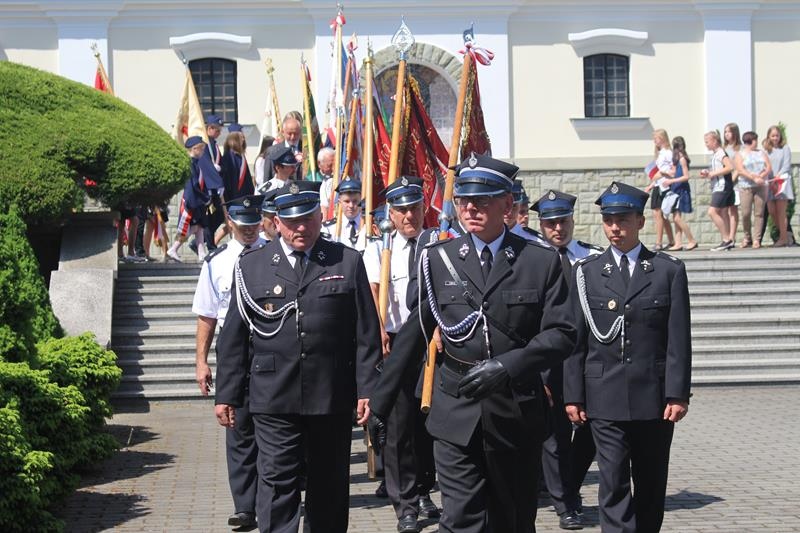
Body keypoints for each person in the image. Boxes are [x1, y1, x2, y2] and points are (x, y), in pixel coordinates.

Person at [368, 152, 577, 533]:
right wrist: (380, 402)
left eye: (482, 200)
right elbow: (414, 333)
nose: (470, 208)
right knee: (461, 518)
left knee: (511, 520)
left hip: (515, 407)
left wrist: (509, 366)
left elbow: (563, 333)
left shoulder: (539, 261)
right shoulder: (438, 259)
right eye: (464, 200)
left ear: (507, 205)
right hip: (456, 406)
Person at [214, 180, 382, 533]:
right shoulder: (252, 266)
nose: (300, 228)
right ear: (276, 223)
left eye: (307, 219)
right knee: (277, 479)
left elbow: (366, 333)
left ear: (320, 216)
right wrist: (228, 394)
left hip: (330, 393)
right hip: (273, 394)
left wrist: (367, 388)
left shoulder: (346, 260)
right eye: (291, 222)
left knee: (329, 482)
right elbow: (234, 336)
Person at [564, 181, 691, 533]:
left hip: (654, 397)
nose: (615, 228)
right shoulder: (587, 272)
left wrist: (678, 393)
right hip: (604, 395)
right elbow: (576, 339)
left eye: (622, 220)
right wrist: (573, 394)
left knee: (651, 482)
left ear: (640, 221)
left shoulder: (667, 270)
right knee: (613, 480)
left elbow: (678, 339)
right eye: (608, 220)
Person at [362, 177, 438, 533]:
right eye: (402, 210)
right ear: (390, 214)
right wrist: (377, 330)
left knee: (429, 424)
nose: (409, 215)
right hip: (393, 343)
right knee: (398, 428)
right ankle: (405, 505)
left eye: (415, 208)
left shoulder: (436, 244)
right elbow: (372, 292)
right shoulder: (380, 248)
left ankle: (424, 489)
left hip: (430, 343)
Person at [192, 195, 266, 529]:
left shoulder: (275, 254)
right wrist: (201, 361)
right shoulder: (216, 262)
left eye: (254, 224)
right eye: (243, 224)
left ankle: (271, 499)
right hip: (234, 350)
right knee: (237, 426)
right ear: (230, 222)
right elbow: (207, 316)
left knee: (274, 426)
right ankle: (244, 506)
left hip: (270, 345)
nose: (250, 230)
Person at [531, 189, 603, 531]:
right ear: (541, 226)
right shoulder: (531, 261)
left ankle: (570, 486)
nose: (557, 229)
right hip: (552, 362)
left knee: (592, 431)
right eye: (550, 224)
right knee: (555, 436)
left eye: (563, 221)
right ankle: (565, 503)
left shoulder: (591, 258)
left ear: (572, 221)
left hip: (589, 360)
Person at [167, 136, 224, 262]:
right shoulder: (190, 164)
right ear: (194, 149)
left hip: (199, 200)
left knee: (200, 226)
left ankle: (201, 252)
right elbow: (193, 185)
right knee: (190, 228)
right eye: (201, 148)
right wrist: (204, 198)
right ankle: (174, 248)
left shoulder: (197, 163)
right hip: (192, 200)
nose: (203, 151)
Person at [659, 136, 698, 251]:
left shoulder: (682, 159)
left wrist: (671, 181)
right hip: (676, 190)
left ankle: (691, 240)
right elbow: (675, 173)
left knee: (677, 218)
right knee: (676, 217)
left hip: (681, 190)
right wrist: (666, 174)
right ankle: (678, 242)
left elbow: (686, 176)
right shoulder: (677, 161)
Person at [734, 131, 771, 248]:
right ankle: (747, 237)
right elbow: (740, 170)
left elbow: (768, 167)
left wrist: (761, 176)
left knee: (759, 213)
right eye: (755, 140)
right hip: (746, 186)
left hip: (761, 186)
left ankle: (757, 239)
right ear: (750, 141)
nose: (756, 142)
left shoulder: (761, 153)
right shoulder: (740, 154)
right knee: (746, 213)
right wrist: (753, 178)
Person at [700, 130, 736, 250]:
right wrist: (708, 173)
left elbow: (730, 167)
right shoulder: (715, 154)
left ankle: (726, 239)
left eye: (707, 141)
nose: (706, 144)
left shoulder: (721, 153)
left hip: (722, 186)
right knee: (723, 212)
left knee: (712, 212)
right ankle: (728, 240)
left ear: (715, 141)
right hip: (718, 185)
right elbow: (718, 169)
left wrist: (713, 173)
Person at [644, 129, 675, 251]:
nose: (654, 141)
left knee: (659, 215)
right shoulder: (660, 154)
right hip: (658, 185)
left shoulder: (668, 153)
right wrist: (652, 184)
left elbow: (673, 170)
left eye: (656, 138)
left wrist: (663, 173)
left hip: (664, 185)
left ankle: (659, 242)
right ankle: (671, 240)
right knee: (659, 214)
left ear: (662, 138)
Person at [764, 125, 794, 246]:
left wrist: (778, 177)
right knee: (772, 211)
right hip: (770, 183)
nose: (775, 138)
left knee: (781, 212)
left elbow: (786, 165)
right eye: (773, 136)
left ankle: (783, 238)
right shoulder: (766, 150)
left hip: (782, 182)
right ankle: (785, 234)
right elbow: (765, 165)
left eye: (777, 135)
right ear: (768, 137)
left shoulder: (785, 148)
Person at [322, 177, 367, 252]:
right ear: (339, 202)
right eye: (347, 201)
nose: (351, 205)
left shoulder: (369, 227)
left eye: (355, 201)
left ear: (361, 201)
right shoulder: (329, 228)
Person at [263, 114, 304, 182]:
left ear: (300, 132)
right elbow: (267, 178)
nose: (292, 137)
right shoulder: (272, 151)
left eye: (295, 133)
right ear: (283, 132)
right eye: (289, 133)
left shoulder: (307, 150)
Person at [723, 123, 742, 248]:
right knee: (724, 210)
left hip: (734, 184)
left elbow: (738, 168)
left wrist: (732, 181)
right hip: (724, 183)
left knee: (733, 210)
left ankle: (732, 236)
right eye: (725, 132)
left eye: (729, 132)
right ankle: (726, 236)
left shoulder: (739, 149)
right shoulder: (724, 148)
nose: (726, 134)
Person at [317, 147, 337, 214]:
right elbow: (324, 207)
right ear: (319, 163)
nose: (333, 168)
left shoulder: (340, 177)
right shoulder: (324, 183)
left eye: (334, 165)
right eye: (330, 165)